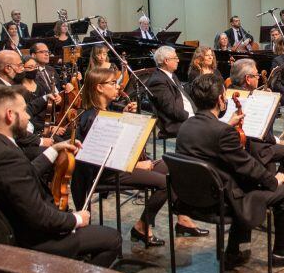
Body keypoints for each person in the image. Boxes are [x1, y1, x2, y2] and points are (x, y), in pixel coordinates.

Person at [0, 84, 122, 267]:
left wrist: (54, 149)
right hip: (32, 240)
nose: (28, 116)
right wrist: (76, 219)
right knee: (112, 239)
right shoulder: (7, 156)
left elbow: (24, 173)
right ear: (10, 115)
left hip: (7, 228)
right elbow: (40, 217)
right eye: (24, 111)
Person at [175, 73, 284, 268]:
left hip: (191, 199)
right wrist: (275, 180)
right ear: (221, 100)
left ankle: (233, 252)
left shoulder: (186, 126)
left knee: (244, 183)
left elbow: (212, 142)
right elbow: (247, 165)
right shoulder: (222, 132)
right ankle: (281, 253)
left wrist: (227, 126)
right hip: (220, 203)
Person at [73, 68, 198, 246]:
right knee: (164, 184)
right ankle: (142, 225)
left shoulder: (106, 111)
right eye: (112, 83)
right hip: (105, 173)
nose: (117, 87)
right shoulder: (93, 117)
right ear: (99, 88)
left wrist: (126, 116)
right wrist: (137, 166)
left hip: (120, 166)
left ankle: (182, 218)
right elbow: (102, 159)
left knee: (172, 166)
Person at [144, 46, 209, 237]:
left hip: (187, 119)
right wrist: (194, 117)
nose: (178, 60)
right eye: (174, 58)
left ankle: (185, 214)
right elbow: (171, 110)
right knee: (206, 134)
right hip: (174, 124)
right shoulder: (157, 80)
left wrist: (200, 112)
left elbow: (185, 99)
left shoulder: (171, 76)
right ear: (165, 61)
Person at [228, 58, 284, 183]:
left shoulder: (228, 92)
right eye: (256, 75)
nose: (259, 78)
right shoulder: (252, 99)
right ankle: (278, 187)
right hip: (254, 148)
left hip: (235, 145)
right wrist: (275, 139)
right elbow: (263, 134)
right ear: (247, 79)